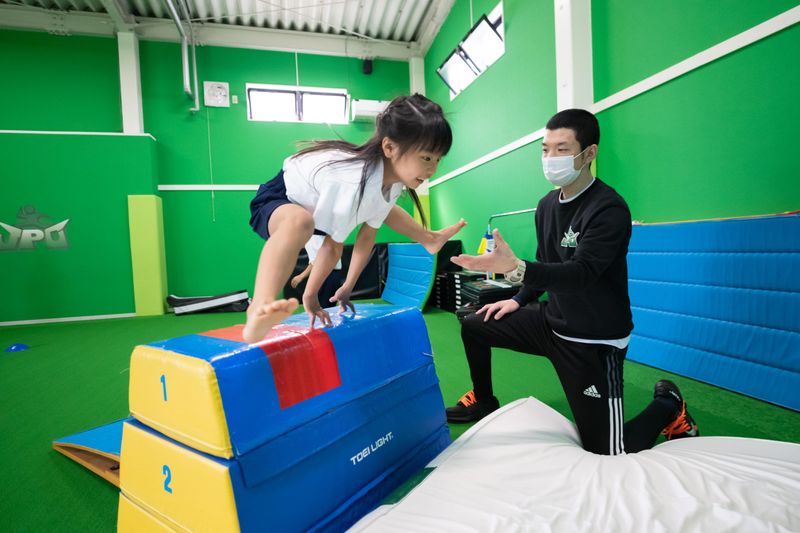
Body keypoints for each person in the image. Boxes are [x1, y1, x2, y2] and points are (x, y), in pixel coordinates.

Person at [445, 109, 698, 455]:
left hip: (594, 340)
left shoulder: (609, 209)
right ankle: (484, 400)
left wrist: (517, 268)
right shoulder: (546, 205)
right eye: (545, 149)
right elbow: (547, 262)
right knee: (475, 324)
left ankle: (668, 404)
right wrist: (518, 299)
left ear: (589, 153)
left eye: (562, 149)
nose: (550, 158)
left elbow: (581, 274)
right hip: (552, 323)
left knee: (609, 452)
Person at [244, 94, 466, 343]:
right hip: (279, 197)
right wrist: (311, 295)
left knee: (382, 207)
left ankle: (428, 238)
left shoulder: (391, 184)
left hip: (317, 205)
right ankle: (259, 308)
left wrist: (348, 286)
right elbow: (332, 248)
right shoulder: (350, 182)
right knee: (300, 223)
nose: (433, 169)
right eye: (426, 157)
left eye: (438, 159)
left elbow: (367, 236)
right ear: (389, 148)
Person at [290, 235, 343, 307]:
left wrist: (301, 276)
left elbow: (317, 262)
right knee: (322, 307)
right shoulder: (311, 240)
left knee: (324, 307)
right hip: (329, 274)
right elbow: (316, 262)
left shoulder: (315, 238)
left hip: (329, 275)